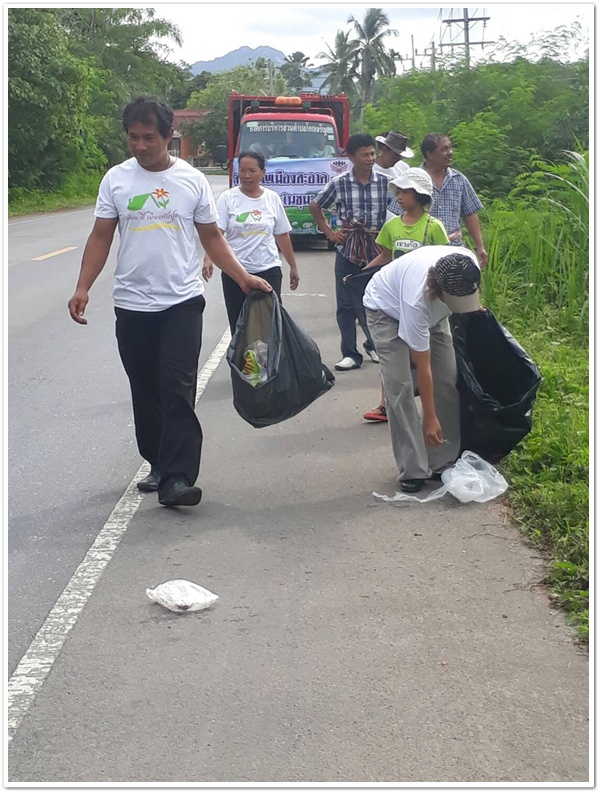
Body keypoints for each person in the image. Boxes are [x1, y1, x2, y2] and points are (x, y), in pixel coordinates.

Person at [67, 96, 272, 508]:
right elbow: (102, 235)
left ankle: (178, 478)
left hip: (181, 302)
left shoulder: (192, 180)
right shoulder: (116, 180)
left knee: (177, 387)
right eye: (133, 138)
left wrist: (244, 277)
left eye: (148, 138)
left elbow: (212, 237)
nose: (139, 146)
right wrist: (83, 286)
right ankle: (158, 461)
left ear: (168, 137)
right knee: (144, 389)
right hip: (132, 304)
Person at [363, 246, 481, 493]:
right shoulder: (417, 301)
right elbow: (423, 366)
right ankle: (413, 468)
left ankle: (442, 461)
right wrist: (429, 417)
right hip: (385, 309)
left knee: (448, 379)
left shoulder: (468, 264)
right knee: (400, 386)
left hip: (434, 316)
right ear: (440, 292)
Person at [356, 168, 450, 423]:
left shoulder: (434, 227)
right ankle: (385, 404)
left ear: (420, 195)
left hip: (423, 301)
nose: (399, 196)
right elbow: (385, 256)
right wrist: (362, 275)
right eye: (398, 191)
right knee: (394, 356)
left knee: (422, 354)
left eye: (405, 191)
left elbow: (443, 261)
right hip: (395, 299)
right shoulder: (392, 225)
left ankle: (432, 410)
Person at [309, 133, 390, 371]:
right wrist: (329, 233)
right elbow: (316, 205)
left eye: (372, 153)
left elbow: (396, 213)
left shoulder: (385, 183)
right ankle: (350, 353)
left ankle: (373, 345)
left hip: (377, 250)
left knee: (377, 301)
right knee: (345, 304)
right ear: (351, 157)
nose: (370, 158)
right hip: (348, 250)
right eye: (364, 154)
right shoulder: (339, 183)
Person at [202, 150, 300, 334]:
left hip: (268, 270)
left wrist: (293, 266)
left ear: (263, 172)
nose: (246, 176)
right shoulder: (228, 198)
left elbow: (282, 235)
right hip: (235, 272)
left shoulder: (272, 199)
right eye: (242, 171)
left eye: (252, 171)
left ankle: (269, 363)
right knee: (240, 326)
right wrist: (209, 258)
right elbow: (216, 233)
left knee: (269, 326)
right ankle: (241, 363)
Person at [419, 133, 488, 267]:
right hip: (422, 249)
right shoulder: (414, 179)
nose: (449, 153)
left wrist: (480, 246)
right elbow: (398, 214)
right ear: (429, 154)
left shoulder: (458, 179)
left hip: (454, 248)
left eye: (450, 148)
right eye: (444, 149)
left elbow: (470, 214)